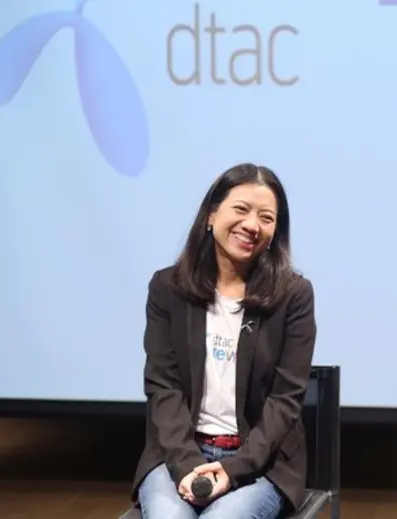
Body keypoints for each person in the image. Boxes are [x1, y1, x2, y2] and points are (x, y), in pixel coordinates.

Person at [130, 163, 317, 519]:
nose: (252, 225)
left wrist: (232, 470)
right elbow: (163, 387)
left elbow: (285, 400)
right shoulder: (167, 288)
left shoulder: (294, 295)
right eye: (241, 209)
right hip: (177, 454)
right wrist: (188, 466)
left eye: (266, 218)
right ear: (212, 215)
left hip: (262, 463)